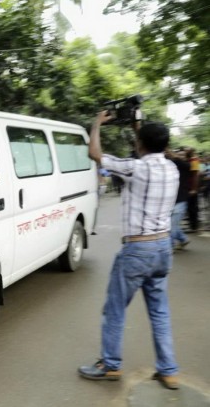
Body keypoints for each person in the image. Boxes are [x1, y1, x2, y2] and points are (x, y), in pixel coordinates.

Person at [78, 112, 180, 390]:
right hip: (163, 247)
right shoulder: (172, 168)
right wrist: (139, 129)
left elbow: (95, 154)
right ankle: (169, 371)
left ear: (140, 143)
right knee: (159, 312)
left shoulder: (136, 168)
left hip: (138, 249)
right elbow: (151, 148)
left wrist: (97, 123)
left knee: (115, 309)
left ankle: (111, 365)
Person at [165, 149, 190, 249]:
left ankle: (170, 245)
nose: (180, 156)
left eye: (183, 155)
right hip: (171, 201)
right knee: (171, 224)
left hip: (181, 200)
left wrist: (173, 154)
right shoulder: (172, 166)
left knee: (172, 225)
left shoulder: (186, 166)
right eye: (179, 154)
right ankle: (183, 239)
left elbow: (180, 162)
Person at [185, 147, 200, 232]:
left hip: (192, 188)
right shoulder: (189, 160)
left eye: (187, 150)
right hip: (188, 187)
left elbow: (195, 175)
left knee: (192, 207)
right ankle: (192, 225)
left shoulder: (194, 160)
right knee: (190, 207)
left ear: (191, 152)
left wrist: (194, 189)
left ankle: (194, 227)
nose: (185, 151)